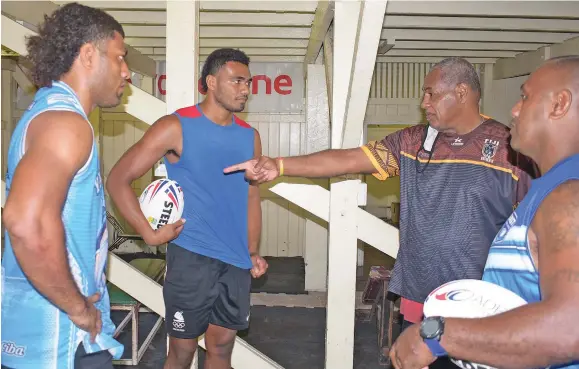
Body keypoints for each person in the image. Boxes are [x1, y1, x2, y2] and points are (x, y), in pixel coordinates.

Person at [224, 57, 538, 366]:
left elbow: (538, 227)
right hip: (419, 296)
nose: (423, 102)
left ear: (460, 92)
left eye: (431, 93)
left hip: (480, 303)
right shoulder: (413, 141)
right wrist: (279, 165)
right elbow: (347, 160)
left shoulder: (509, 149)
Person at [387, 55, 579, 369]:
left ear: (559, 104)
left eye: (525, 97)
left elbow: (571, 327)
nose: (514, 109)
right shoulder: (550, 188)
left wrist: (436, 337)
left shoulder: (570, 195)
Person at [106, 48, 268, 369]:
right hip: (191, 258)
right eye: (237, 81)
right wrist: (148, 235)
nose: (246, 89)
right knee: (182, 352)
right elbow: (118, 179)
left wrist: (251, 251)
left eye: (248, 82)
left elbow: (251, 197)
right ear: (210, 82)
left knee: (221, 349)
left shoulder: (250, 137)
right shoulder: (175, 126)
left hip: (235, 262)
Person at [1, 3, 128, 368]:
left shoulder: (47, 111)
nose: (127, 72)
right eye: (119, 58)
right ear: (89, 55)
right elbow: (26, 224)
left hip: (52, 334)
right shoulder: (65, 125)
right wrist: (78, 309)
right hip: (59, 338)